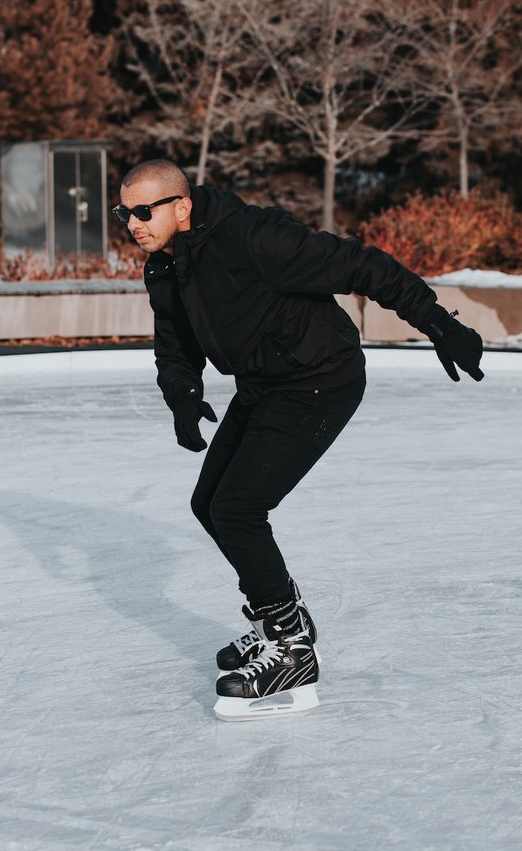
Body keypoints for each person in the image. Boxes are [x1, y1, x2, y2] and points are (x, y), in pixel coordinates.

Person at [112, 159, 484, 721]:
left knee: (238, 509)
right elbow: (174, 339)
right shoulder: (165, 264)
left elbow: (361, 264)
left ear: (181, 206)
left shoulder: (254, 237)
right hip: (265, 383)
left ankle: (290, 649)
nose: (134, 223)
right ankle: (280, 618)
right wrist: (182, 396)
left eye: (144, 211)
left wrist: (440, 324)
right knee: (207, 504)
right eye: (125, 213)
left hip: (321, 379)